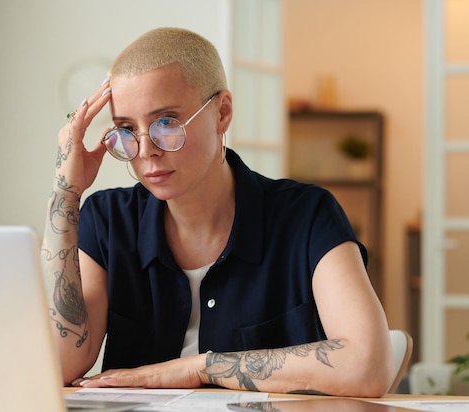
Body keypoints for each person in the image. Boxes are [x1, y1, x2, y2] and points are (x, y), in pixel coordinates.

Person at [41, 27, 394, 397]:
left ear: (222, 113)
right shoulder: (108, 221)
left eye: (165, 123)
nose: (145, 151)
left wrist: (199, 367)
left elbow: (368, 365)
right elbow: (60, 361)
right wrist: (66, 191)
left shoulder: (307, 216)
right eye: (127, 129)